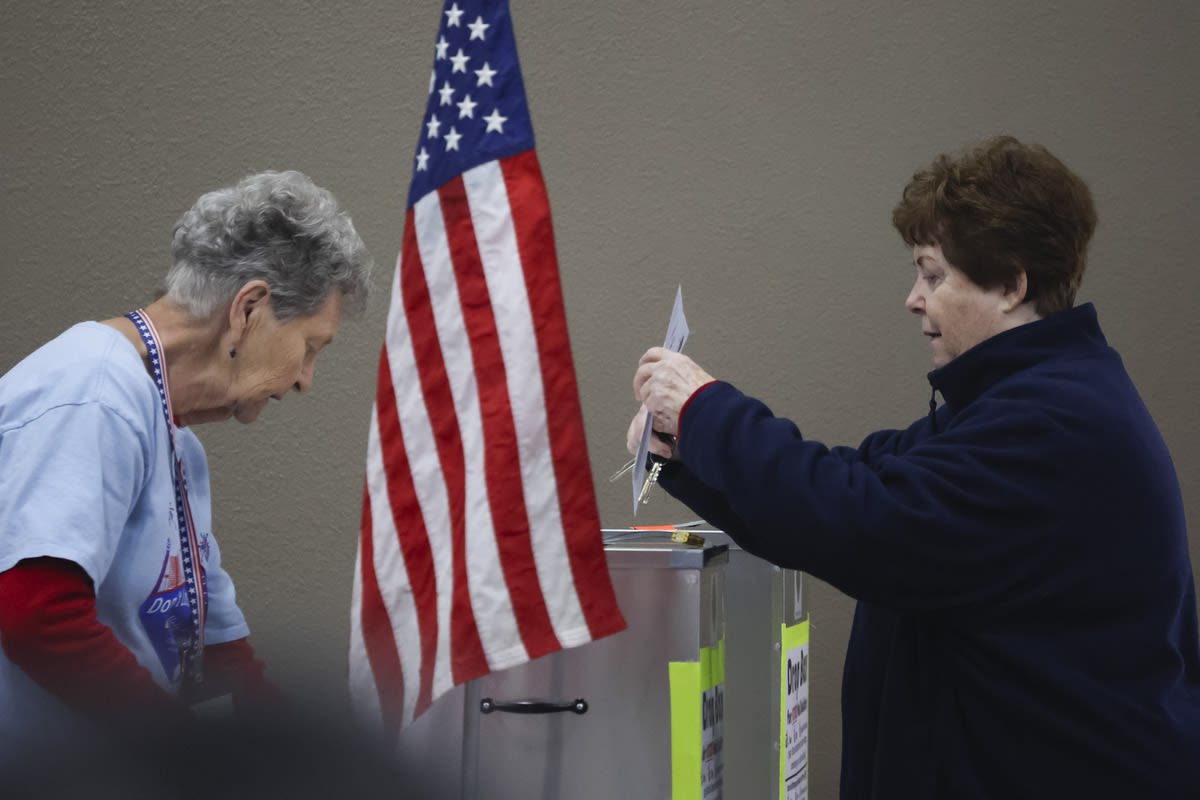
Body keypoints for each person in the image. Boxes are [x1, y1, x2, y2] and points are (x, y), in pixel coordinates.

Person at [627, 136, 1200, 797]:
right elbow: (850, 485)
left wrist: (703, 409)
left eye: (933, 275)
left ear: (1012, 283)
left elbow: (858, 521)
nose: (913, 298)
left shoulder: (1056, 424)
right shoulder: (1019, 401)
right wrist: (685, 453)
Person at [0, 170, 373, 761]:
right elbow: (36, 616)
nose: (305, 380)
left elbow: (215, 654)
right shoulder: (93, 394)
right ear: (249, 308)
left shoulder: (174, 438)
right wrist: (189, 760)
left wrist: (303, 764)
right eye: (310, 346)